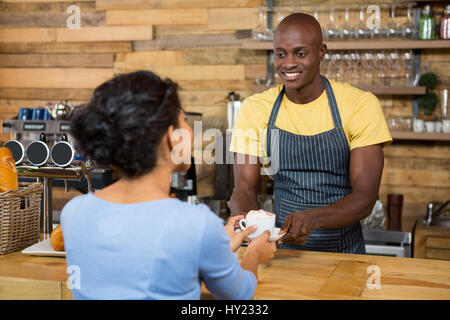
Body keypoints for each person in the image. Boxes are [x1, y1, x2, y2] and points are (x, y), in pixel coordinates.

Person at [61, 71, 276, 300]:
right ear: (173, 136)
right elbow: (239, 295)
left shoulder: (74, 212)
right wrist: (254, 253)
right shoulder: (196, 224)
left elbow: (140, 266)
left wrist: (215, 245)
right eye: (184, 119)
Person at [229, 13, 392, 254]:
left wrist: (313, 219)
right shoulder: (255, 109)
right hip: (282, 252)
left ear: (321, 52)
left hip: (345, 255)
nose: (288, 63)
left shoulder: (359, 105)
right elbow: (243, 187)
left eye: (300, 53)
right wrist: (253, 225)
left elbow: (365, 197)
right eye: (280, 53)